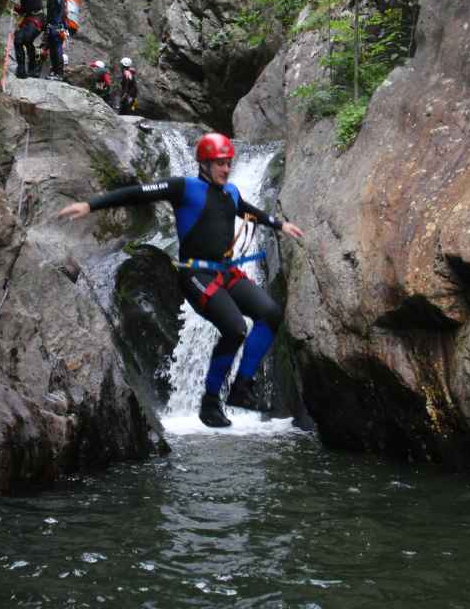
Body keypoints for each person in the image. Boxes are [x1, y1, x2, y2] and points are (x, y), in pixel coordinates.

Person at [57, 133, 304, 427]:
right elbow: (137, 192)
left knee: (270, 314)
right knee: (235, 328)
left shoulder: (231, 193)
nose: (226, 169)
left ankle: (241, 389)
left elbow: (248, 210)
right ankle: (210, 404)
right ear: (204, 164)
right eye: (220, 164)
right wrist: (90, 205)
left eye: (228, 163)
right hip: (194, 274)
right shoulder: (184, 188)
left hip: (226, 272)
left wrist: (279, 223)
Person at [9, 0, 43, 79]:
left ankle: (32, 68)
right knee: (18, 39)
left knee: (27, 38)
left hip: (38, 17)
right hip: (28, 18)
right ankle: (21, 69)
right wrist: (14, 7)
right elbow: (24, 8)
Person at [41, 0, 66, 80]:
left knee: (57, 48)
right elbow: (50, 14)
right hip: (52, 26)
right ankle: (55, 72)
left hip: (58, 26)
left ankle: (59, 74)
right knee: (52, 49)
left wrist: (59, 25)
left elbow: (64, 11)